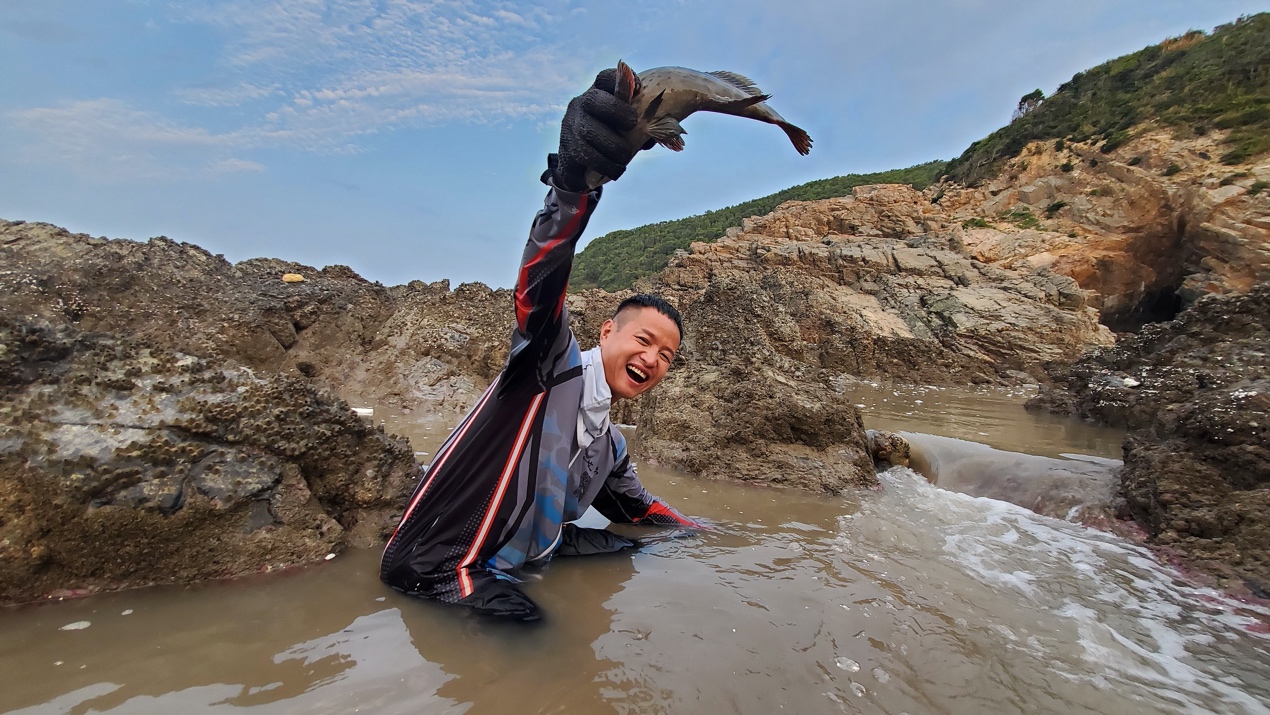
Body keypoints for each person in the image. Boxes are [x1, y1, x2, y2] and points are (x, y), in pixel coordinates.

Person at [379, 68, 700, 621]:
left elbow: (640, 509)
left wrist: (719, 538)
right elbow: (539, 285)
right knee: (541, 645)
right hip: (442, 567)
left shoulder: (610, 446)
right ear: (607, 332)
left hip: (531, 554)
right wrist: (576, 185)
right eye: (645, 341)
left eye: (666, 356)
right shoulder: (549, 366)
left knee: (640, 548)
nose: (651, 359)